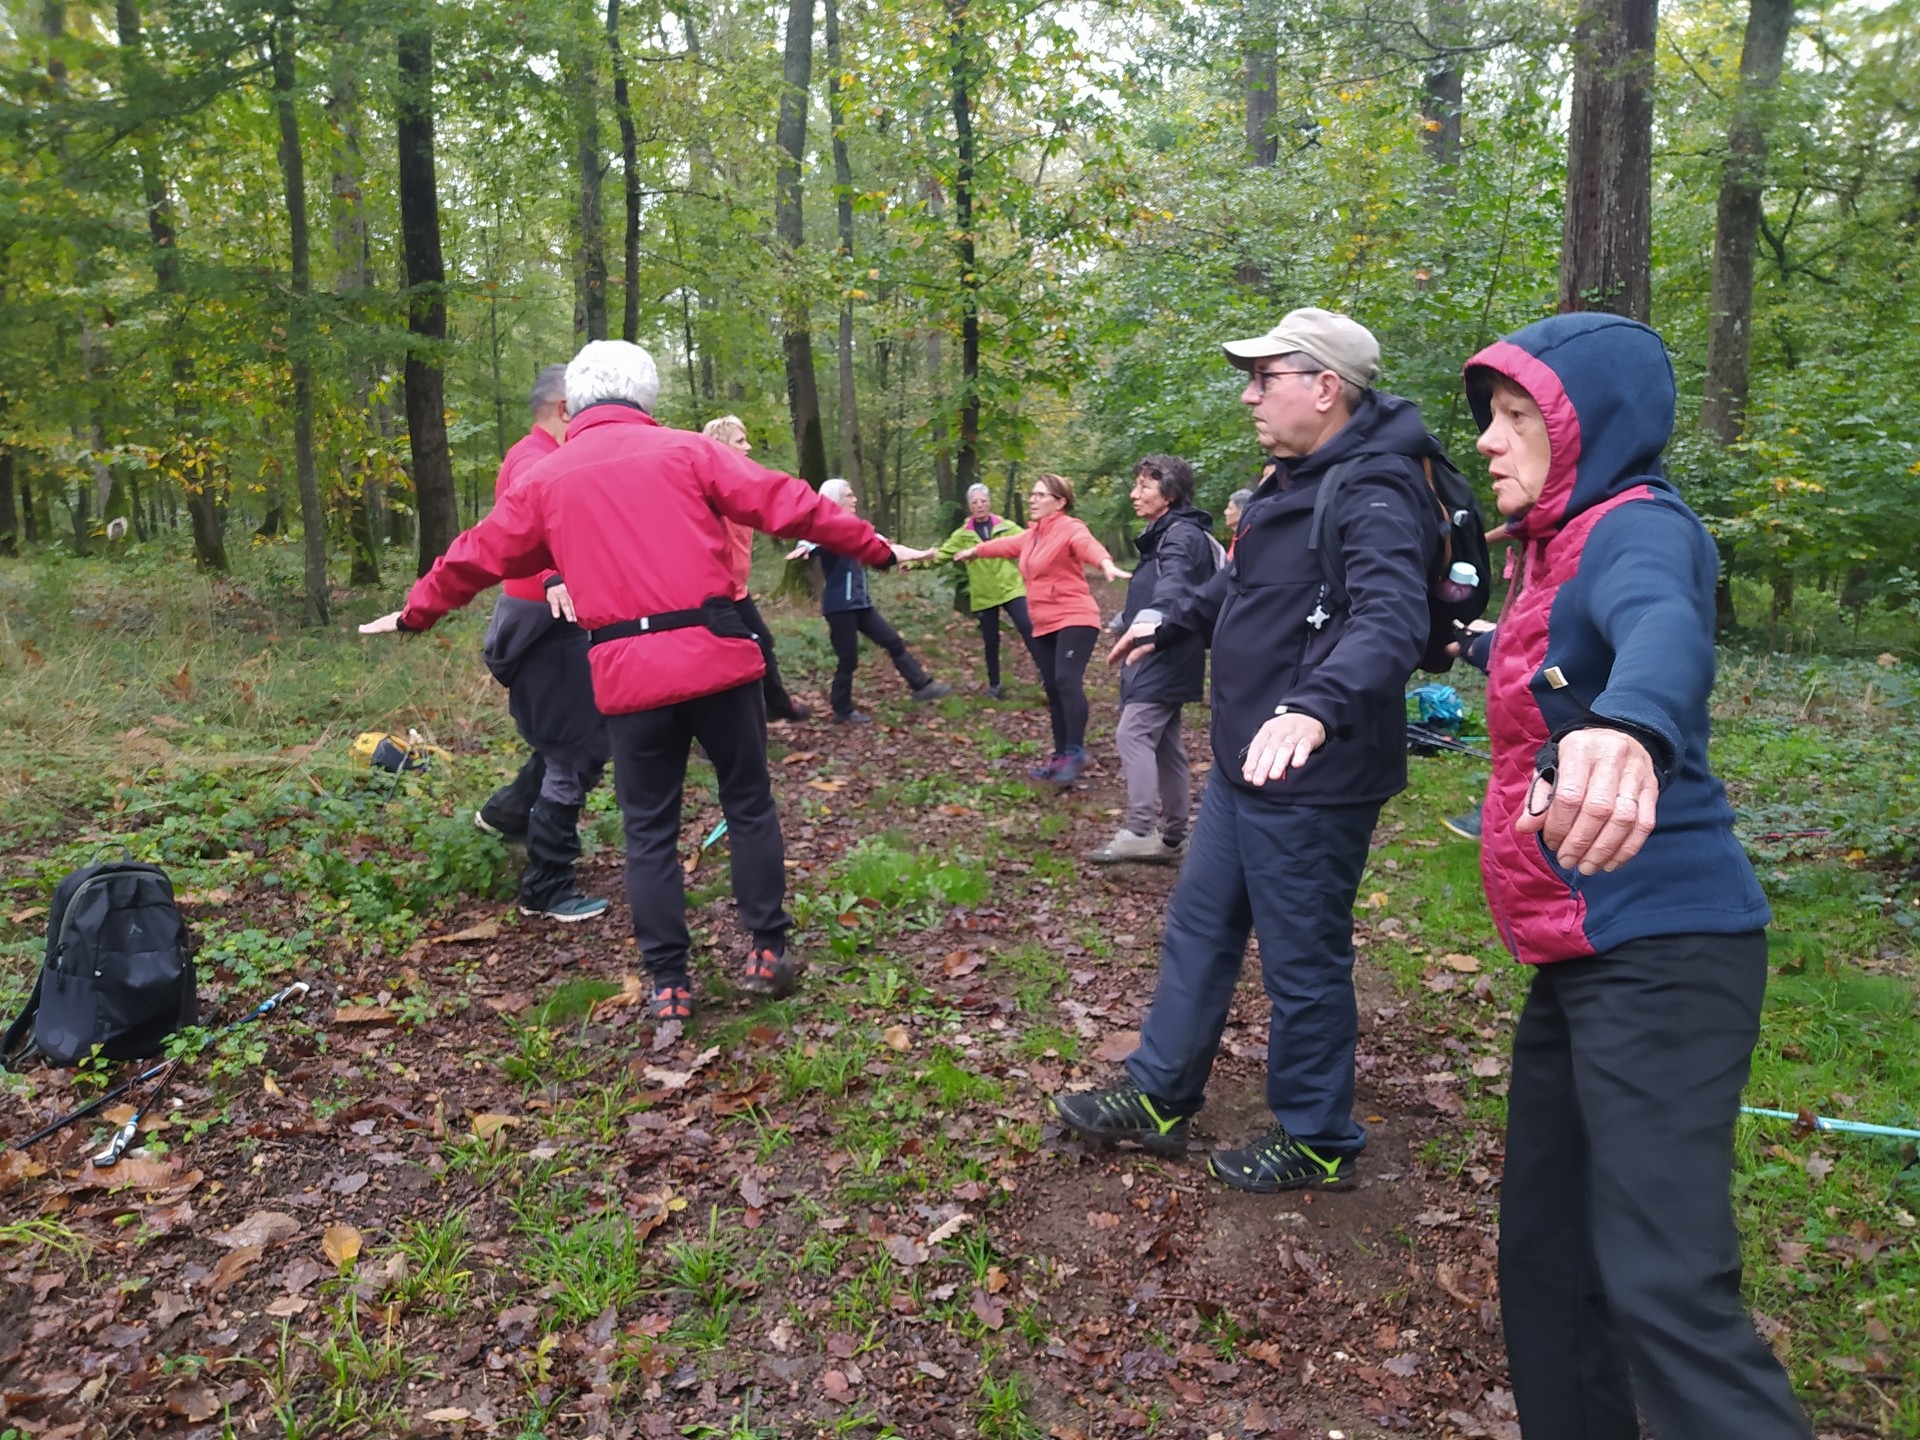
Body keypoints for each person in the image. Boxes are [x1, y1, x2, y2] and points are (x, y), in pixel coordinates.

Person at [1457, 313, 1810, 1440]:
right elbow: (1558, 646)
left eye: (1517, 419)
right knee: (1550, 1261)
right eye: (1491, 420)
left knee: (1666, 1287)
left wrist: (1632, 728)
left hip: (1668, 952)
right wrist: (1468, 640)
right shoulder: (1556, 549)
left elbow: (1660, 620)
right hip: (1583, 953)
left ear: (1585, 428)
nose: (1489, 444)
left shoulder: (1639, 528)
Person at [361, 341, 921, 1022]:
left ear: (580, 399)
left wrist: (418, 612)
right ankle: (767, 953)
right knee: (747, 803)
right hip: (716, 656)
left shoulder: (549, 477)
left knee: (648, 830)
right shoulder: (690, 451)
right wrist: (877, 548)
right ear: (646, 397)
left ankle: (669, 985)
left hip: (627, 674)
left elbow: (474, 554)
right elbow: (790, 504)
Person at [1053, 308, 1441, 1191]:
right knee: (1199, 926)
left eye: (1265, 378)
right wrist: (1171, 615)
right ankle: (1158, 1095)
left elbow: (1392, 620)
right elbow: (1243, 584)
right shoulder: (1290, 479)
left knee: (1302, 958)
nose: (1249, 393)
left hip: (1314, 771)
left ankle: (1316, 1137)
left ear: (1325, 387)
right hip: (1241, 762)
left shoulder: (1376, 488)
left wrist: (1315, 707)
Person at [471, 363, 611, 922]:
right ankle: (547, 886)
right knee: (574, 752)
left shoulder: (531, 453)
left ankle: (507, 813)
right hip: (547, 622)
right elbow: (535, 523)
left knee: (565, 737)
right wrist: (556, 572)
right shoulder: (537, 460)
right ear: (563, 409)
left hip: (550, 619)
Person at [953, 473, 1129, 785]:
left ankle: (1076, 753)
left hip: (1075, 616)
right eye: (1032, 495)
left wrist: (1104, 562)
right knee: (1051, 686)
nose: (1033, 500)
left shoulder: (1070, 527)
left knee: (1065, 679)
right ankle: (1061, 755)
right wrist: (975, 551)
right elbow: (1007, 545)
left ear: (1059, 502)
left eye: (1040, 495)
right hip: (1045, 622)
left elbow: (1086, 545)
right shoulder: (1032, 534)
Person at [1087, 456, 1216, 864]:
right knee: (1166, 745)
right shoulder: (1165, 532)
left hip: (1167, 649)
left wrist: (1148, 625)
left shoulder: (1179, 535)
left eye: (1144, 486)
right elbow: (1159, 585)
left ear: (1170, 494)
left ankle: (1141, 829)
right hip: (1166, 646)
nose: (1134, 494)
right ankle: (1173, 838)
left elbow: (1176, 583)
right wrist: (1126, 619)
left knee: (1133, 733)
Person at [788, 480, 950, 724]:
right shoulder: (826, 528)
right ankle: (841, 710)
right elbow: (811, 539)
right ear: (836, 499)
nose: (855, 500)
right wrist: (803, 547)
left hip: (861, 604)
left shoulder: (859, 529)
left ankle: (922, 686)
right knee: (848, 660)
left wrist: (920, 555)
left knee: (893, 641)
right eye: (849, 496)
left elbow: (889, 548)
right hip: (840, 607)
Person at [700, 415, 810, 721]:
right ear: (720, 446)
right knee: (734, 656)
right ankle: (722, 733)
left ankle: (776, 705)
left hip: (737, 590)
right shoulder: (708, 489)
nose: (748, 447)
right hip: (711, 594)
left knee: (762, 643)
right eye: (739, 441)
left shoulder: (741, 485)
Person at [926, 483, 1042, 699]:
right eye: (975, 502)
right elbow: (941, 555)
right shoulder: (962, 535)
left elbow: (1032, 542)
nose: (979, 506)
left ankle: (1046, 672)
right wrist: (914, 562)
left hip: (1011, 589)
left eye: (983, 501)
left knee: (1028, 627)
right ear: (969, 506)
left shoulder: (1007, 527)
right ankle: (995, 685)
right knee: (990, 641)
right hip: (984, 594)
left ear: (989, 503)